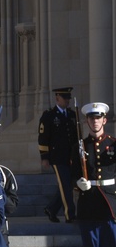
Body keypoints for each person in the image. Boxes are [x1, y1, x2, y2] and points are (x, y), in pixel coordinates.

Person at [73, 102, 116, 247]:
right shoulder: (80, 146)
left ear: (104, 120)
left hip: (110, 205)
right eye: (91, 118)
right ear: (87, 121)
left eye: (98, 118)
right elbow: (72, 175)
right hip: (88, 205)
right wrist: (78, 183)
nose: (95, 121)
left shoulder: (113, 144)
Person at [38, 86, 79, 223]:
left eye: (68, 98)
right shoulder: (49, 115)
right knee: (66, 186)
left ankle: (52, 208)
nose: (67, 101)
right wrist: (44, 157)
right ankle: (70, 215)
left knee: (67, 184)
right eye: (65, 98)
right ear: (57, 98)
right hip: (57, 157)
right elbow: (43, 137)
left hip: (71, 157)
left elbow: (76, 136)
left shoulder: (72, 115)